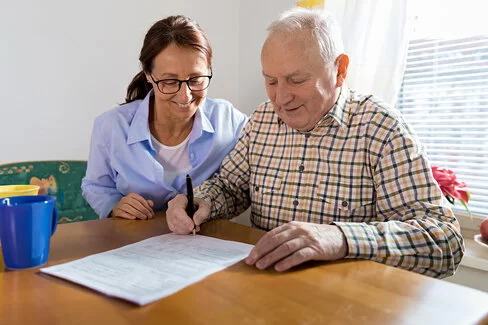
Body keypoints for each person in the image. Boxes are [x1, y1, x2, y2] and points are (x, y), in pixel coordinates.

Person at [166, 7, 464, 278]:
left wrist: (340, 238)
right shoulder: (262, 121)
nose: (280, 98)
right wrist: (200, 202)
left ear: (340, 70)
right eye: (271, 81)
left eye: (296, 80)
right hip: (260, 292)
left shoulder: (381, 129)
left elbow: (444, 241)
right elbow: (229, 187)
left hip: (345, 301)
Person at [82, 15, 248, 220]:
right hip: (134, 241)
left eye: (196, 79)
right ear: (148, 75)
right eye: (170, 81)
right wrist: (114, 205)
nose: (185, 95)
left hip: (203, 243)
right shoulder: (112, 126)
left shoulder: (230, 121)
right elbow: (95, 185)